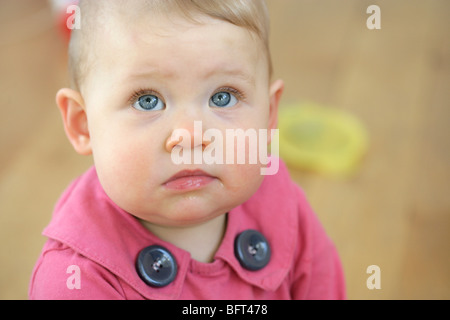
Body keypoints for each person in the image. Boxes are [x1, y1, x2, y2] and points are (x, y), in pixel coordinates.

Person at [29, 0, 346, 299]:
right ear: (83, 124)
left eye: (223, 96)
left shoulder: (280, 201)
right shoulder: (73, 281)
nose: (191, 137)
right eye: (147, 100)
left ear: (268, 116)